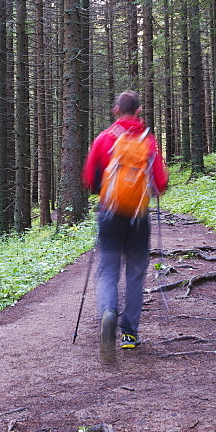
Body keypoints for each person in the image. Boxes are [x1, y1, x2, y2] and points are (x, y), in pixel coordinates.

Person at [82, 90, 168, 353]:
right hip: (137, 217)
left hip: (109, 213)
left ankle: (108, 311)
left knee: (108, 269)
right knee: (135, 273)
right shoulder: (148, 140)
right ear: (139, 111)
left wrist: (104, 190)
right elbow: (161, 183)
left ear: (116, 110)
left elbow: (89, 179)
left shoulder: (105, 139)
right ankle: (129, 333)